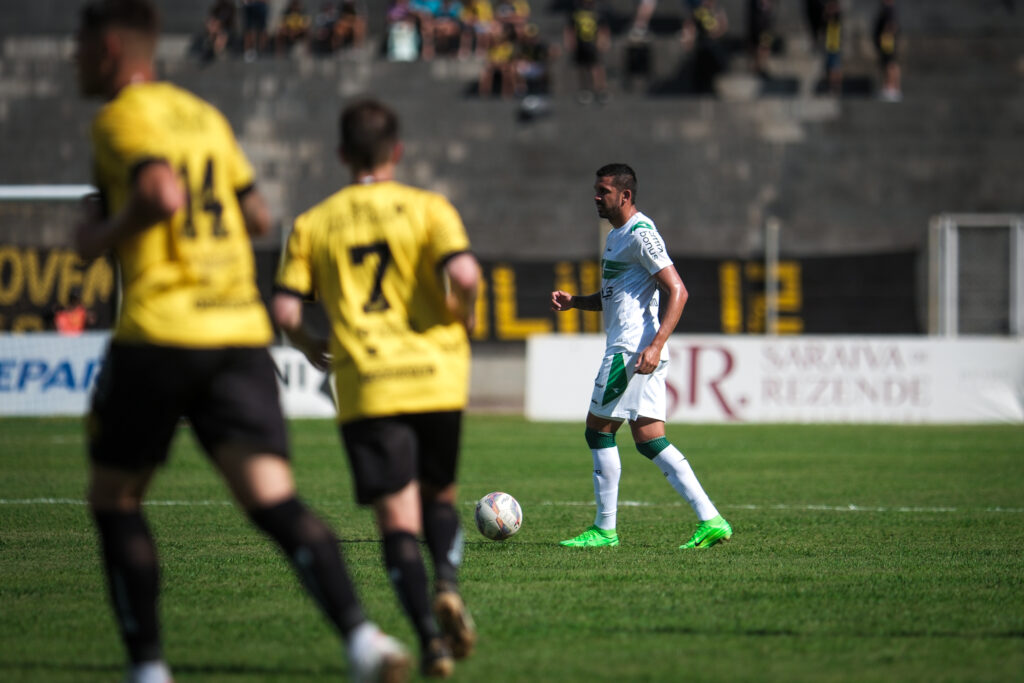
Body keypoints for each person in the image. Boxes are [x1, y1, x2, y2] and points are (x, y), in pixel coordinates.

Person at [72, 3, 409, 682]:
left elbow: (162, 194)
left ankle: (148, 669)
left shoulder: (120, 118)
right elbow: (257, 214)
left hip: (162, 332)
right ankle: (364, 640)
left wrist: (99, 234)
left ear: (109, 47)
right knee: (274, 500)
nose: (72, 58)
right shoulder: (205, 117)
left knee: (116, 499)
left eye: (79, 45)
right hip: (237, 332)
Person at [272, 99, 481, 678]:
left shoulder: (315, 223)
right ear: (398, 151)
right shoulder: (430, 208)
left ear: (341, 154)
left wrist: (309, 344)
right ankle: (447, 581)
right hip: (436, 375)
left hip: (368, 383)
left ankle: (428, 642)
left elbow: (286, 307)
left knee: (396, 519)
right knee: (440, 495)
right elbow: (465, 275)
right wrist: (462, 314)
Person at [551, 164, 732, 550]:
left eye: (603, 191)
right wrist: (575, 303)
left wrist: (655, 345)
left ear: (625, 195)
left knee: (597, 430)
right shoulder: (617, 236)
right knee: (650, 439)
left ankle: (604, 529)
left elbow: (678, 291)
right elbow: (615, 297)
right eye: (596, 190)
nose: (596, 197)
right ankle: (711, 519)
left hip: (631, 352)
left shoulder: (640, 234)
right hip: (636, 350)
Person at [873, 0, 901, 101]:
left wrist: (884, 35)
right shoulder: (888, 9)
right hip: (887, 39)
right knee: (887, 63)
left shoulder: (889, 9)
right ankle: (889, 87)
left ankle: (891, 88)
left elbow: (891, 24)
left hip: (887, 40)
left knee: (889, 63)